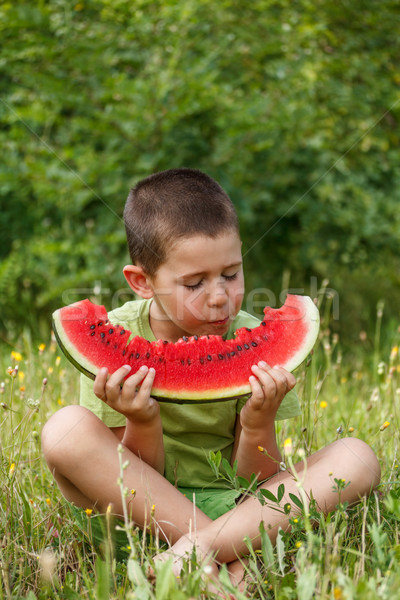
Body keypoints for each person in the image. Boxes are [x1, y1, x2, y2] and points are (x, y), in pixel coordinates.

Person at [42, 168, 380, 590]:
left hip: (241, 507)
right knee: (63, 431)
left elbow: (256, 482)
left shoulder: (250, 340)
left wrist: (258, 421)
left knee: (358, 456)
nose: (220, 295)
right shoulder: (117, 340)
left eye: (231, 274)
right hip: (136, 517)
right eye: (194, 283)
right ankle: (231, 557)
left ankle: (197, 552)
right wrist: (142, 421)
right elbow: (128, 477)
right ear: (142, 282)